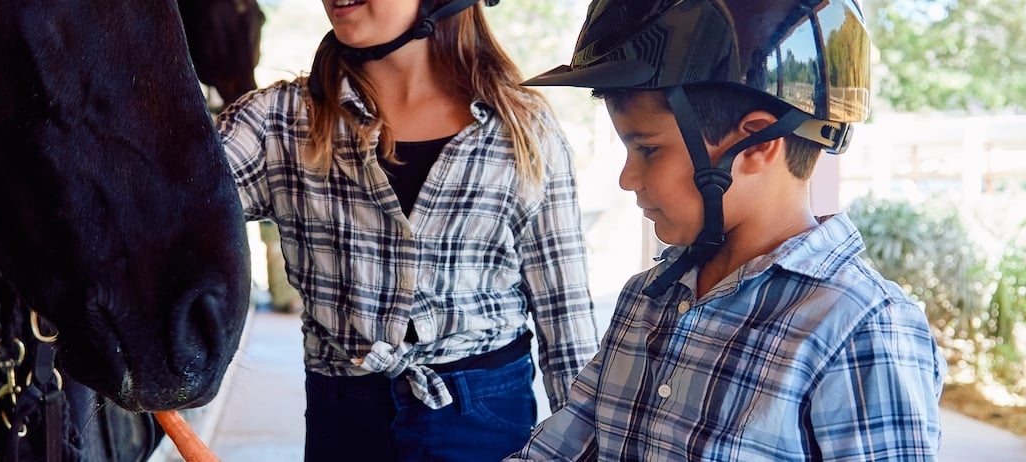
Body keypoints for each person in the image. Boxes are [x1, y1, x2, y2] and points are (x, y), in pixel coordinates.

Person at [508, 0, 946, 460]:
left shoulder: (860, 328)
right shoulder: (647, 298)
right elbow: (563, 448)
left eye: (648, 149)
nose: (627, 178)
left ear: (755, 145)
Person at [214, 0, 599, 460]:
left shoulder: (522, 129)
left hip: (484, 412)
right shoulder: (276, 121)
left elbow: (564, 313)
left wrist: (584, 449)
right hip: (345, 412)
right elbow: (166, 206)